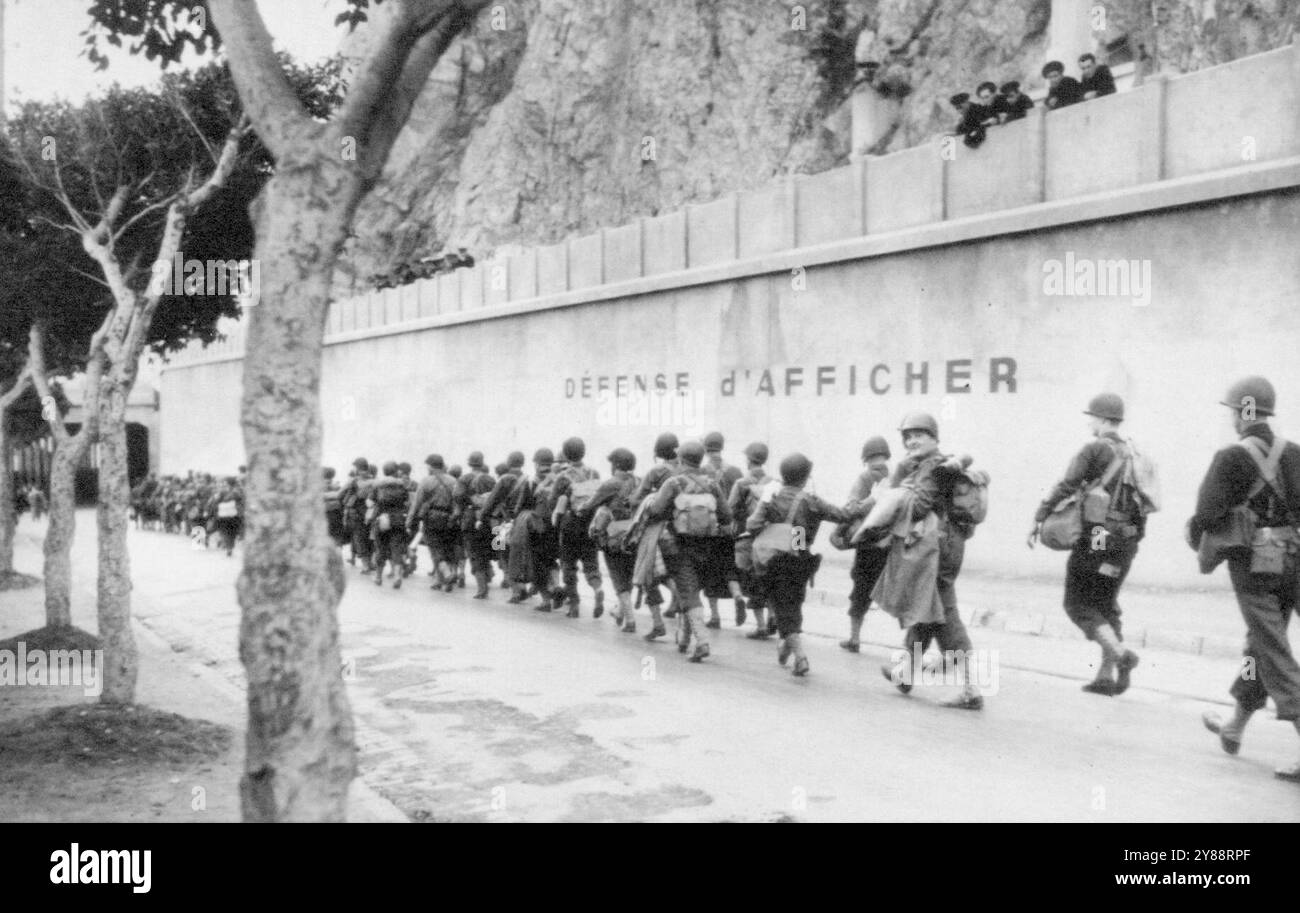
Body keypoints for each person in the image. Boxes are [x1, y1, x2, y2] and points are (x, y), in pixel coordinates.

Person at [1193, 377, 1300, 782]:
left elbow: (1205, 515)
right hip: (1294, 561)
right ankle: (1236, 726)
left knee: (1272, 652)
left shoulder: (1231, 457)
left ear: (1245, 412)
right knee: (1260, 645)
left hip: (1255, 568)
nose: (1233, 419)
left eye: (1234, 411)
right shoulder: (1295, 454)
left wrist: (1199, 540)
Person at [1028, 394, 1144, 695]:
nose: (1089, 421)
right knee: (1105, 604)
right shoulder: (1134, 454)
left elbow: (1067, 484)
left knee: (1077, 603)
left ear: (1104, 419)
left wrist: (1040, 515)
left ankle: (1120, 656)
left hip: (1098, 536)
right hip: (1126, 540)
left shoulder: (1093, 449)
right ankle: (1107, 676)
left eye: (1092, 416)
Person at [875, 412, 984, 710]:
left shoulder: (932, 467)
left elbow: (919, 505)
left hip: (937, 548)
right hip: (946, 543)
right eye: (907, 436)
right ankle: (905, 673)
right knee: (925, 608)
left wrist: (893, 485)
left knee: (944, 614)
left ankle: (970, 690)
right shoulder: (934, 464)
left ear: (934, 438)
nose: (911, 440)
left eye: (919, 435)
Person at [748, 453, 848, 677]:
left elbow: (752, 524)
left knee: (784, 608)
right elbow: (843, 514)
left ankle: (800, 656)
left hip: (776, 559)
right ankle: (786, 648)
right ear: (805, 477)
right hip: (801, 558)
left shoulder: (772, 495)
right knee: (792, 605)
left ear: (783, 476)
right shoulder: (812, 500)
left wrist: (765, 502)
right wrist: (872, 501)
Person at [647, 440, 733, 663]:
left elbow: (656, 511)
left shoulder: (673, 483)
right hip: (707, 546)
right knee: (691, 590)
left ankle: (702, 641)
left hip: (678, 545)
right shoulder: (712, 483)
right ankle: (684, 638)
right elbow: (726, 516)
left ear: (681, 458)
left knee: (689, 591)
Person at [840, 436, 892, 653]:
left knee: (860, 591)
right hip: (889, 546)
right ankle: (913, 647)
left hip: (867, 545)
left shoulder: (865, 477)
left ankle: (854, 639)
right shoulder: (895, 478)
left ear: (866, 458)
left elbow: (852, 507)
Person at [580, 448, 641, 632]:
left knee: (618, 577)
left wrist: (580, 508)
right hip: (636, 534)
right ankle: (620, 612)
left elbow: (589, 505)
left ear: (615, 465)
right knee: (628, 576)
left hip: (615, 536)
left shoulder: (611, 484)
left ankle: (630, 620)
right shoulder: (640, 481)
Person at [628, 432, 682, 640]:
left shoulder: (657, 471)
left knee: (648, 575)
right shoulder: (683, 471)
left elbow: (636, 499)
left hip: (656, 531)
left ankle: (659, 622)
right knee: (673, 575)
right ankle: (685, 625)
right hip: (679, 531)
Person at [550, 437, 604, 618]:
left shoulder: (562, 478)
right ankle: (597, 589)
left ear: (565, 454)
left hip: (570, 525)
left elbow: (553, 502)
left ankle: (574, 605)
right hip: (590, 525)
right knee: (591, 563)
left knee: (568, 565)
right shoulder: (594, 473)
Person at [728, 442, 776, 639]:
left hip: (748, 538)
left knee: (748, 577)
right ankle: (773, 614)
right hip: (772, 538)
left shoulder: (741, 483)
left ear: (748, 460)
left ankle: (761, 625)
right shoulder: (775, 482)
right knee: (769, 578)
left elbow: (730, 510)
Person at [701, 431, 746, 628]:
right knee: (729, 567)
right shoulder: (735, 471)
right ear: (722, 446)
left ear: (705, 448)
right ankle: (737, 595)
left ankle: (715, 616)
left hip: (710, 529)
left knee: (710, 572)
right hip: (731, 529)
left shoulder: (702, 471)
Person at [408, 454, 458, 591]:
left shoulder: (426, 481)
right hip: (449, 518)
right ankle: (441, 581)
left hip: (432, 519)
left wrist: (410, 520)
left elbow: (416, 503)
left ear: (430, 466)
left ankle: (446, 574)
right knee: (446, 548)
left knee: (435, 549)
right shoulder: (454, 481)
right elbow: (457, 503)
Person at [479, 452, 527, 591]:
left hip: (502, 521)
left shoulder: (505, 479)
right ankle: (521, 582)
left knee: (502, 551)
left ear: (509, 462)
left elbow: (492, 500)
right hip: (520, 521)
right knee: (517, 552)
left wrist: (482, 517)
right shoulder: (527, 479)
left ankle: (512, 584)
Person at [454, 451, 498, 599]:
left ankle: (481, 587)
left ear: (469, 463)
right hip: (488, 519)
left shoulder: (464, 479)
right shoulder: (491, 479)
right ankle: (488, 576)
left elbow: (458, 497)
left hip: (471, 518)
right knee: (486, 549)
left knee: (474, 553)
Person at [370, 461, 410, 588]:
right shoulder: (402, 485)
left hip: (382, 519)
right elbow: (407, 501)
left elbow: (369, 503)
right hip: (398, 520)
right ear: (395, 471)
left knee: (380, 548)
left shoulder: (378, 485)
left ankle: (378, 577)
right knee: (396, 548)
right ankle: (397, 576)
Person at [342, 458, 375, 572]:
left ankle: (365, 565)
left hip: (356, 512)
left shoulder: (354, 481)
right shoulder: (374, 481)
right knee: (369, 538)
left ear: (357, 468)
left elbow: (340, 494)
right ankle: (370, 563)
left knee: (359, 538)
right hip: (370, 512)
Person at [211, 476, 243, 557]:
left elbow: (216, 501)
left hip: (225, 514)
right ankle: (229, 547)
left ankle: (227, 546)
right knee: (232, 532)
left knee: (225, 531)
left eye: (225, 483)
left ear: (228, 483)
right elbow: (241, 501)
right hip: (234, 515)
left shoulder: (224, 492)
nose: (224, 484)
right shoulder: (238, 491)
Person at [323, 468, 347, 548]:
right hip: (337, 516)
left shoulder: (318, 488)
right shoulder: (338, 487)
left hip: (325, 517)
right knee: (337, 542)